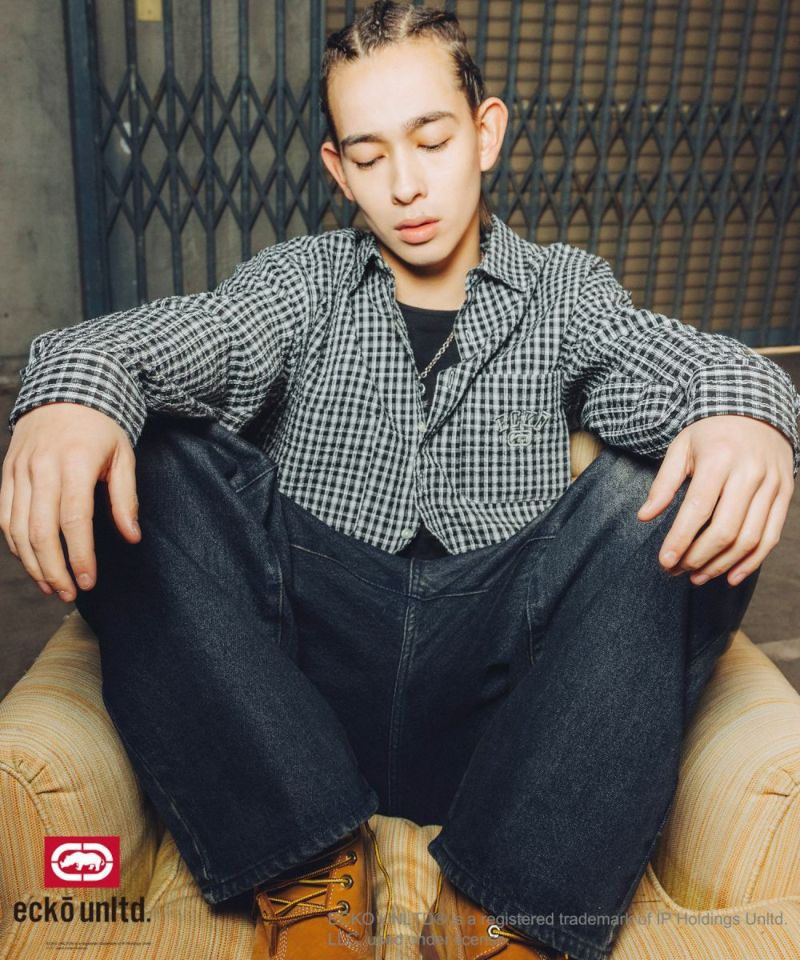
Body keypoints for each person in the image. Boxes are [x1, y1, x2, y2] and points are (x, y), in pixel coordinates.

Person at [2, 3, 799, 959]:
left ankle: (499, 910)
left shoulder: (564, 292)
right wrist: (77, 390)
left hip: (504, 698)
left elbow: (660, 359)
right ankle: (309, 867)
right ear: (339, 170)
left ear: (485, 133)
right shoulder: (302, 280)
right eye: (371, 156)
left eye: (432, 140)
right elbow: (194, 336)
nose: (407, 185)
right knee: (151, 450)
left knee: (650, 489)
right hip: (295, 692)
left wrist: (747, 410)